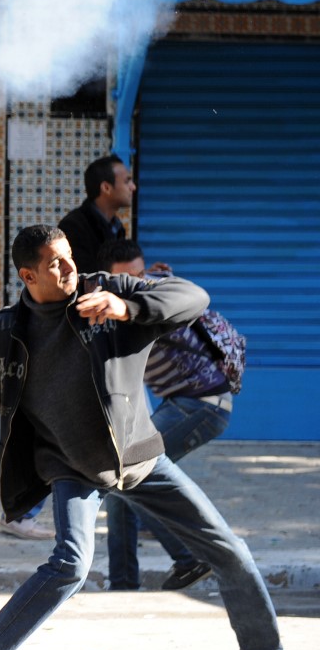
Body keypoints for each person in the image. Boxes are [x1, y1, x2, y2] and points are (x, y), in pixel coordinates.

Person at [0, 225, 310, 650]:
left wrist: (129, 307)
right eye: (55, 262)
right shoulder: (2, 333)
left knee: (227, 547)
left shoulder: (109, 292)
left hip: (139, 458)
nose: (69, 266)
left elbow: (194, 297)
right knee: (71, 564)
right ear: (28, 275)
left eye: (69, 255)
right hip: (70, 467)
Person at [100, 239, 233, 591]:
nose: (137, 285)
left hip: (203, 404)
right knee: (121, 486)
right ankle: (124, 583)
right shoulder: (123, 306)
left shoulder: (152, 302)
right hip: (181, 403)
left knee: (135, 474)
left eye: (140, 275)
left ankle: (190, 557)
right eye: (126, 280)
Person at [58, 154, 134, 273]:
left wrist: (143, 275)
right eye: (127, 181)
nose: (133, 187)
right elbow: (83, 276)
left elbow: (119, 270)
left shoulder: (116, 226)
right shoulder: (74, 227)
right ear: (106, 188)